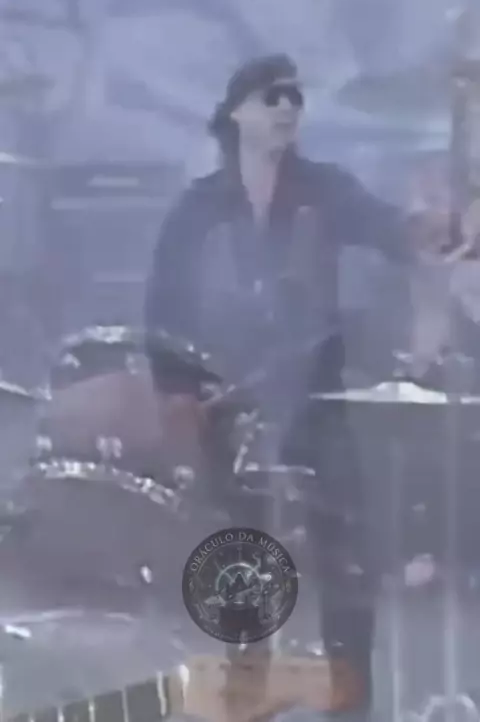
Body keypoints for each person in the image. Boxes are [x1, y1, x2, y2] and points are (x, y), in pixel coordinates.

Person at [144, 54, 445, 720]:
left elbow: (391, 229)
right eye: (272, 96)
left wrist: (433, 227)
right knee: (244, 568)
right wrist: (179, 392)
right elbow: (165, 305)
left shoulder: (324, 190)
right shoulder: (198, 208)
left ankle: (349, 703)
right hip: (231, 404)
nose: (287, 107)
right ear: (235, 114)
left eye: (295, 97)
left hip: (316, 400)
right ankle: (249, 696)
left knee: (347, 563)